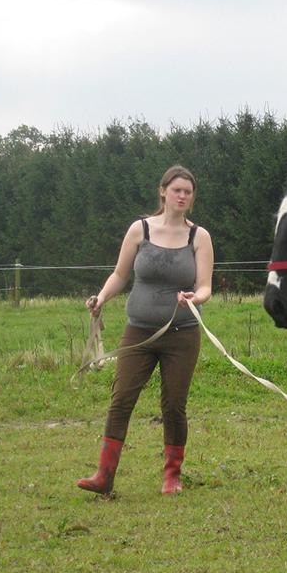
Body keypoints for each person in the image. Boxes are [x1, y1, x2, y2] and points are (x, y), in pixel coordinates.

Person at [77, 165, 214, 495]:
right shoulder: (140, 230)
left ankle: (172, 476)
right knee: (122, 399)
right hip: (138, 332)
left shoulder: (200, 237)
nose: (182, 196)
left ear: (192, 198)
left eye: (188, 192)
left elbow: (206, 286)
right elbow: (120, 275)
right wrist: (102, 297)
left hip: (182, 334)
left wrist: (195, 298)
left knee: (173, 405)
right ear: (163, 191)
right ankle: (104, 475)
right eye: (177, 190)